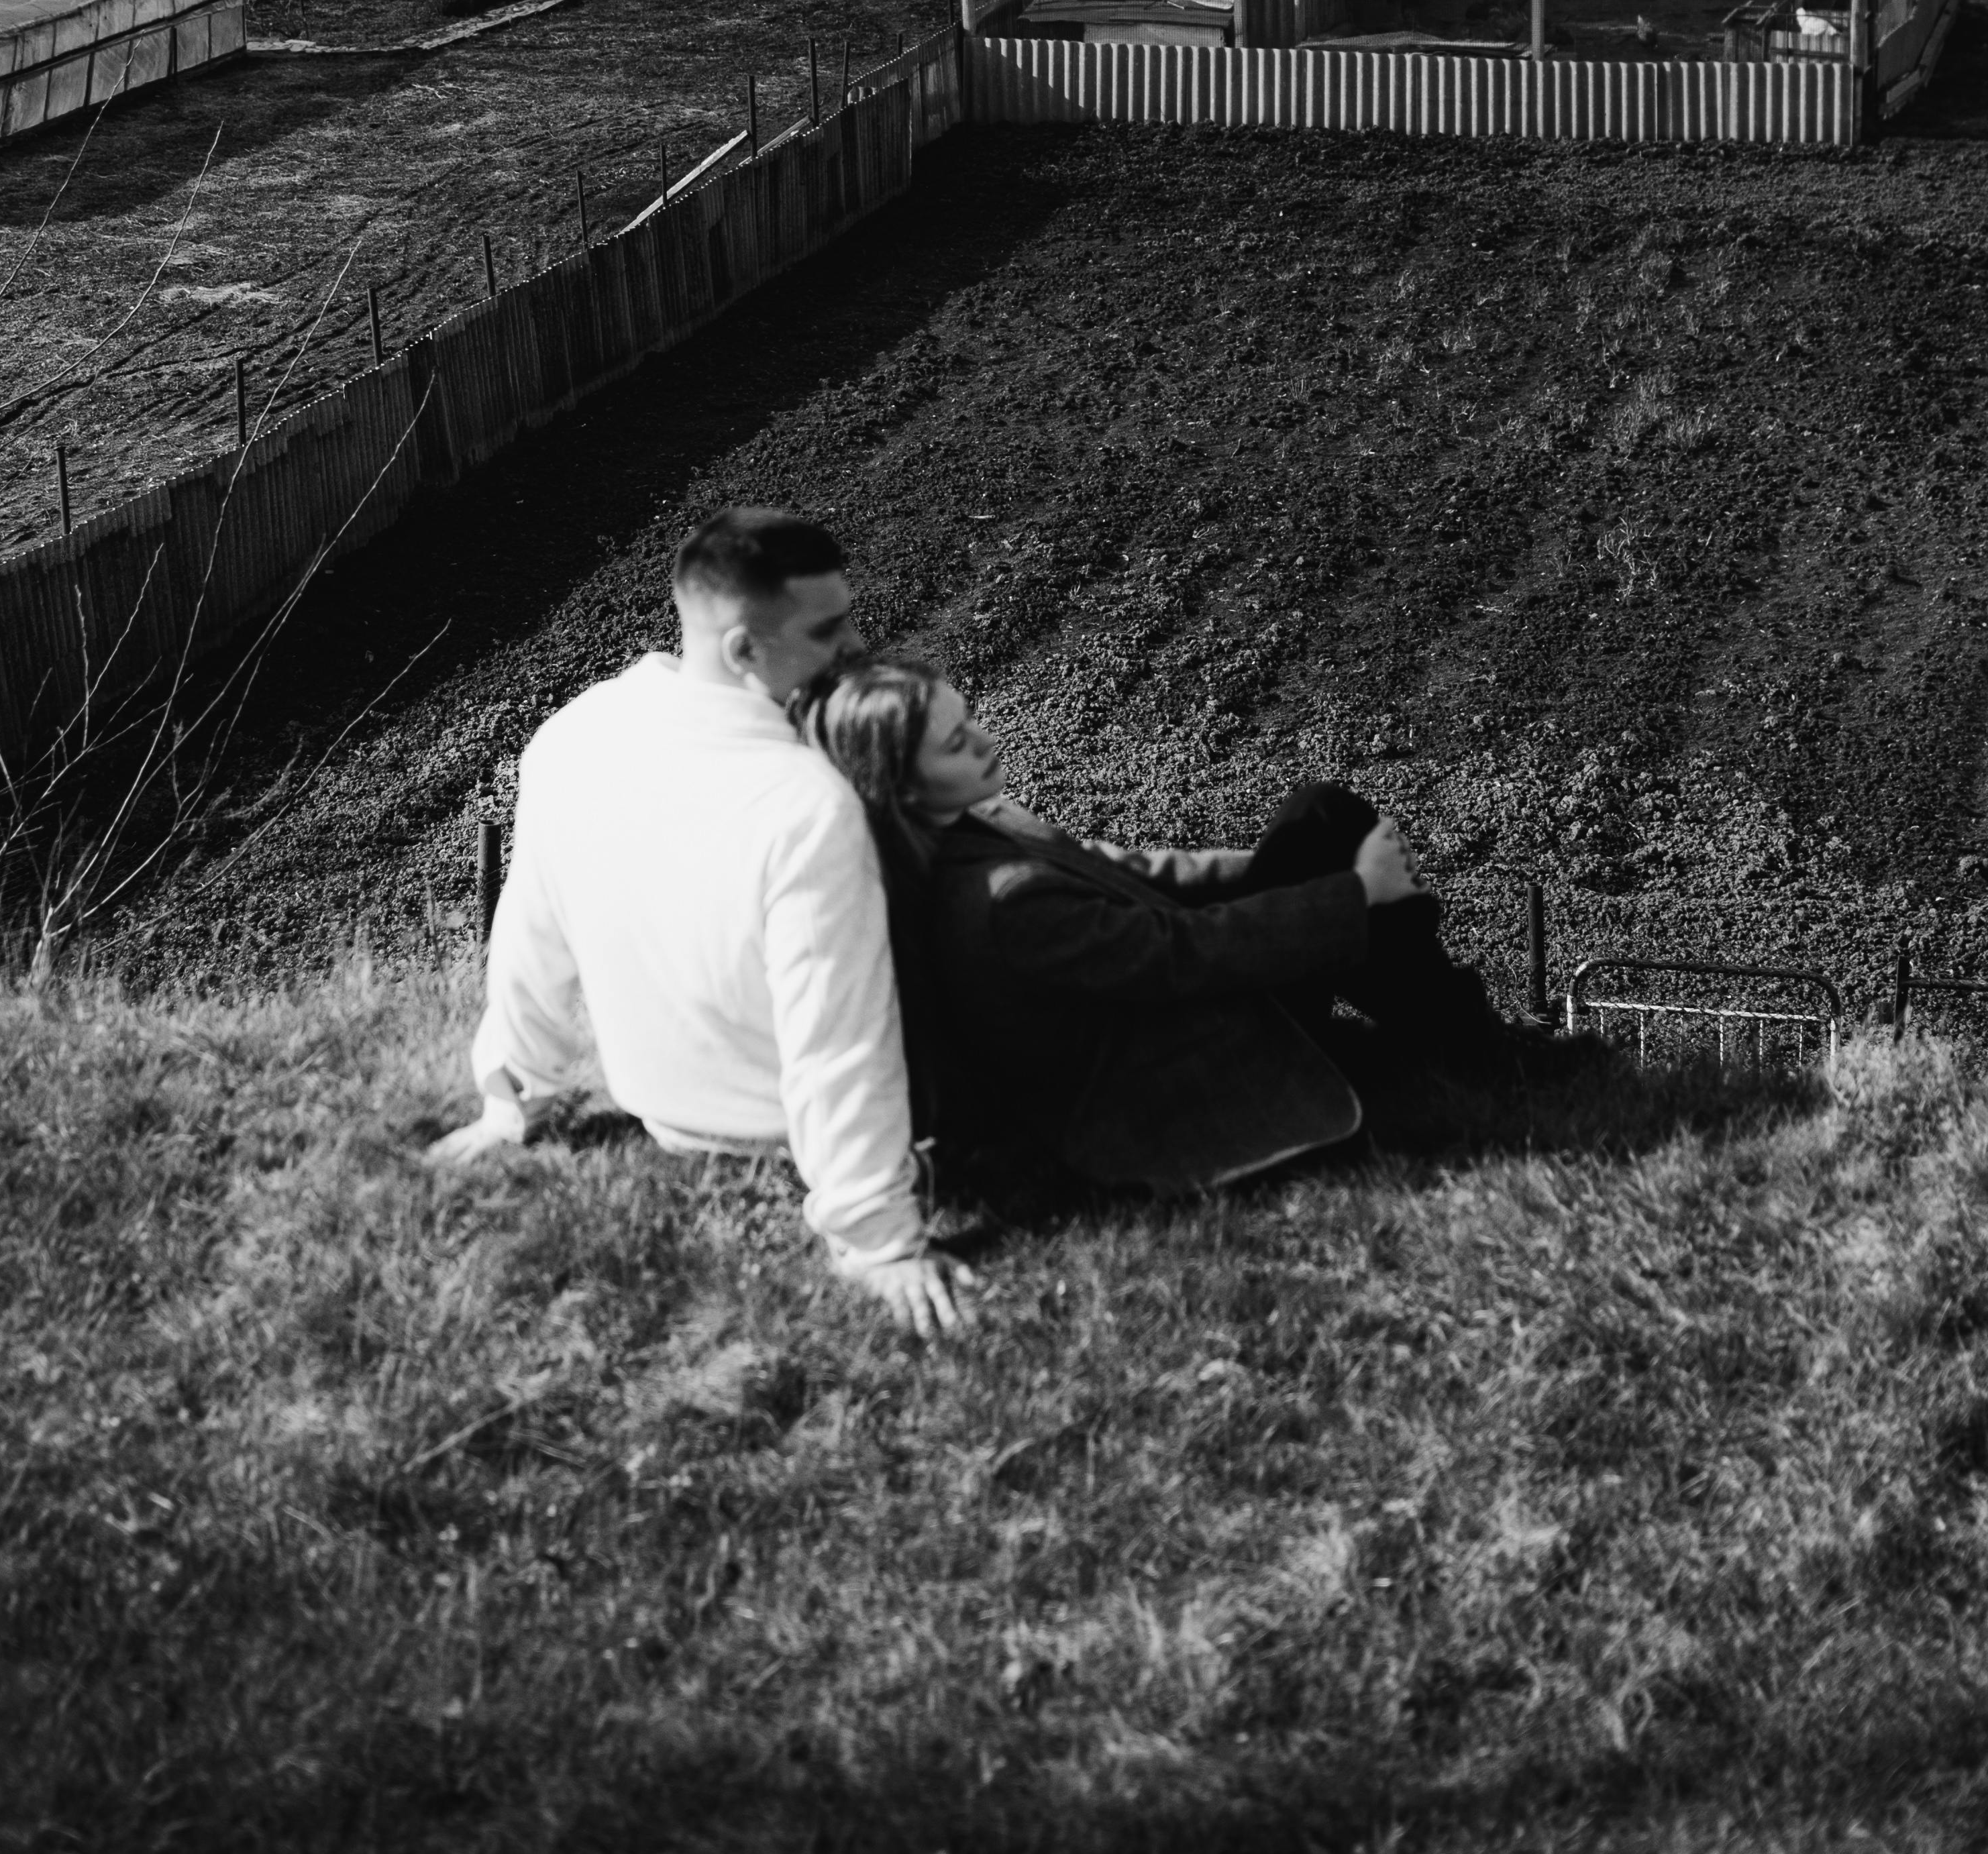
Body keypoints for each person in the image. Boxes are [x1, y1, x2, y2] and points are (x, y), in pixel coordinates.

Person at [425, 512, 973, 1341]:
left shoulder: (575, 734)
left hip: (665, 1112)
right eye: (827, 629)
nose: (856, 643)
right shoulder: (804, 802)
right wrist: (877, 1240)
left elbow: (530, 935)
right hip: (782, 1123)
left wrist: (514, 1099)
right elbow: (838, 1035)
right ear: (745, 650)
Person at [798, 657, 1555, 1196]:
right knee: (1333, 832)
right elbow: (1183, 956)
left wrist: (1285, 866)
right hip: (1170, 1070)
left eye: (971, 721)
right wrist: (1352, 893)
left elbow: (1132, 868)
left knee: (1320, 820)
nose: (987, 742)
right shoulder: (1000, 900)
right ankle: (1473, 1042)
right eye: (957, 742)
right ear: (899, 783)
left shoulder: (976, 820)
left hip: (1165, 1015)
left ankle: (1461, 1035)